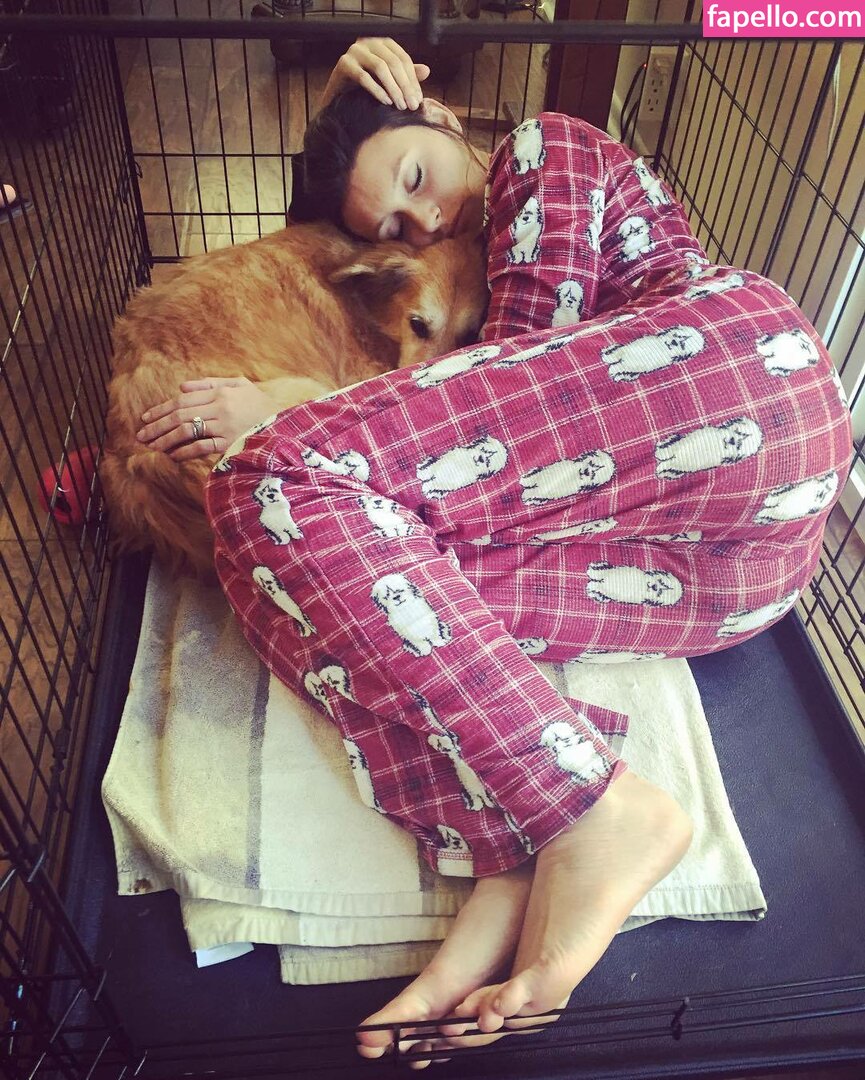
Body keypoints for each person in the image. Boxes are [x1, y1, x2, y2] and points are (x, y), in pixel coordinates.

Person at [136, 39, 853, 1061]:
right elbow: (469, 452)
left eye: (415, 178)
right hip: (736, 576)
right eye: (395, 227)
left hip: (746, 375)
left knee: (272, 480)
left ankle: (586, 810)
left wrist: (299, 408)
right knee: (293, 587)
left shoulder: (541, 151)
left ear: (441, 116)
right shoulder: (451, 286)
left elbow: (507, 381)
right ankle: (516, 838)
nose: (426, 221)